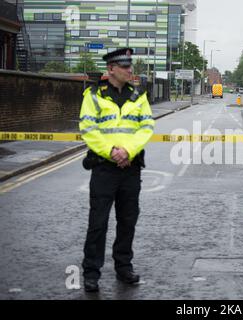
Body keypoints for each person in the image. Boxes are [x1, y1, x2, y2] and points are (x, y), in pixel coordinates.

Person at [79, 48, 155, 292]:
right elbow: (89, 129)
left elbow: (147, 127)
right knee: (98, 222)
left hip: (130, 168)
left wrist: (128, 152)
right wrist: (113, 151)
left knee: (128, 220)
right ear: (111, 68)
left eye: (130, 66)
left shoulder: (138, 95)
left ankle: (124, 267)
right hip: (104, 169)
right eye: (124, 66)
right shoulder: (93, 95)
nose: (130, 70)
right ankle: (92, 272)